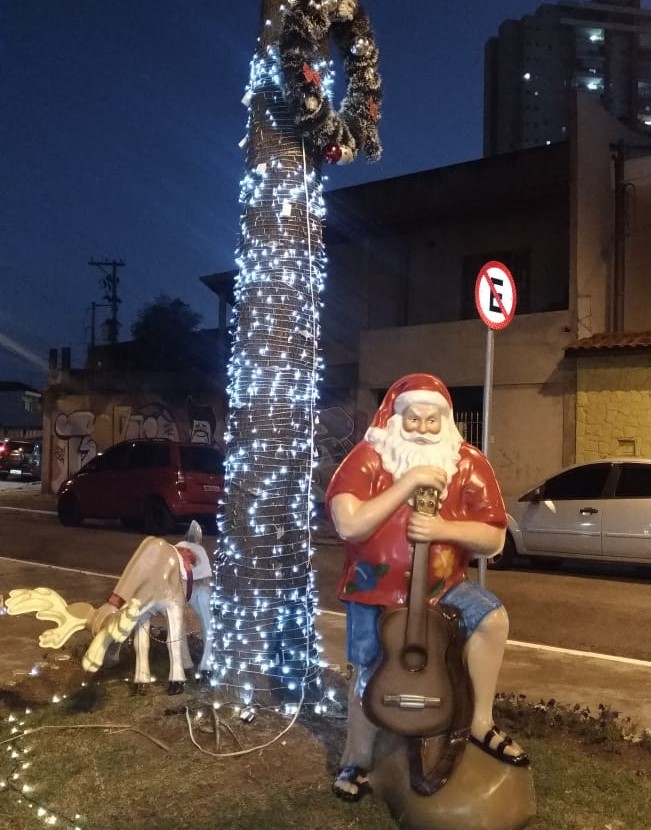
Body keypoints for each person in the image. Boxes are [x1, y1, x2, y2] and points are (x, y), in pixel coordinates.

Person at [325, 373, 529, 801]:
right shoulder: (369, 458)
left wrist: (443, 527)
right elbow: (348, 523)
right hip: (373, 589)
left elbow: (493, 538)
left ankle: (479, 722)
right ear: (396, 419)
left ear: (446, 422)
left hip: (443, 585)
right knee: (367, 667)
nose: (422, 429)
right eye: (413, 419)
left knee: (492, 619)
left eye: (432, 421)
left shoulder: (467, 462)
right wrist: (409, 482)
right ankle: (357, 757)